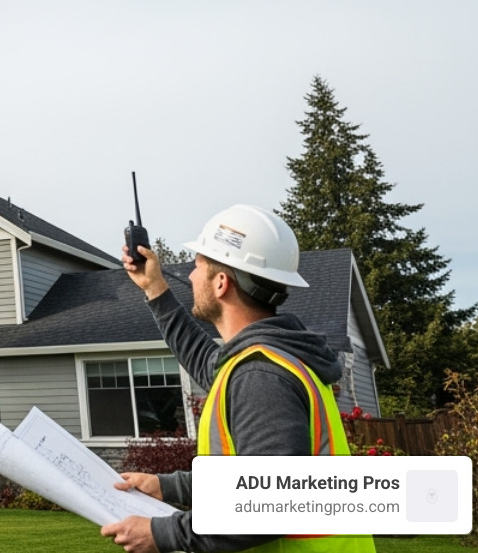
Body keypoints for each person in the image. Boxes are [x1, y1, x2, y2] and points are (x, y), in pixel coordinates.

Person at [102, 204, 375, 553]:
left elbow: (268, 503)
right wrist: (166, 487)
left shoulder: (261, 375)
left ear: (221, 282)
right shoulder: (270, 360)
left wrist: (164, 533)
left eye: (197, 266)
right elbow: (204, 360)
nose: (189, 277)